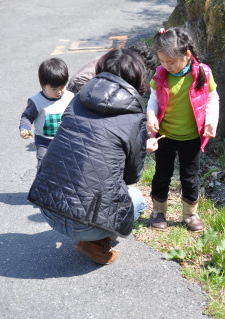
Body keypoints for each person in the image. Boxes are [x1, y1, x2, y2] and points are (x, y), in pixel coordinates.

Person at [28, 48, 160, 265]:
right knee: (137, 199)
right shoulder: (134, 116)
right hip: (85, 224)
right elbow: (130, 177)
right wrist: (139, 150)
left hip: (48, 210)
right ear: (139, 78)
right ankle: (96, 242)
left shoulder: (77, 100)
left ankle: (90, 235)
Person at [146, 27, 220, 232]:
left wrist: (211, 121)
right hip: (165, 135)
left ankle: (190, 214)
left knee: (190, 176)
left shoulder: (202, 73)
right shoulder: (161, 74)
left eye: (170, 62)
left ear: (187, 54)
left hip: (192, 137)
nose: (166, 66)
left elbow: (213, 99)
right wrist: (151, 116)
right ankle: (158, 212)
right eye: (162, 61)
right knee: (162, 174)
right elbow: (153, 99)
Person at [19, 58, 74, 169]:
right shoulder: (36, 101)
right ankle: (42, 185)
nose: (59, 92)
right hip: (44, 142)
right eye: (54, 89)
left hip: (65, 140)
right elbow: (27, 116)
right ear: (43, 85)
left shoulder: (69, 97)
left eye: (62, 87)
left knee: (66, 166)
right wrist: (25, 128)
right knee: (43, 167)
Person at [66, 41, 159, 94]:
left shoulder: (122, 61)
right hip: (76, 94)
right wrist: (99, 96)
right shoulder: (112, 62)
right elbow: (79, 80)